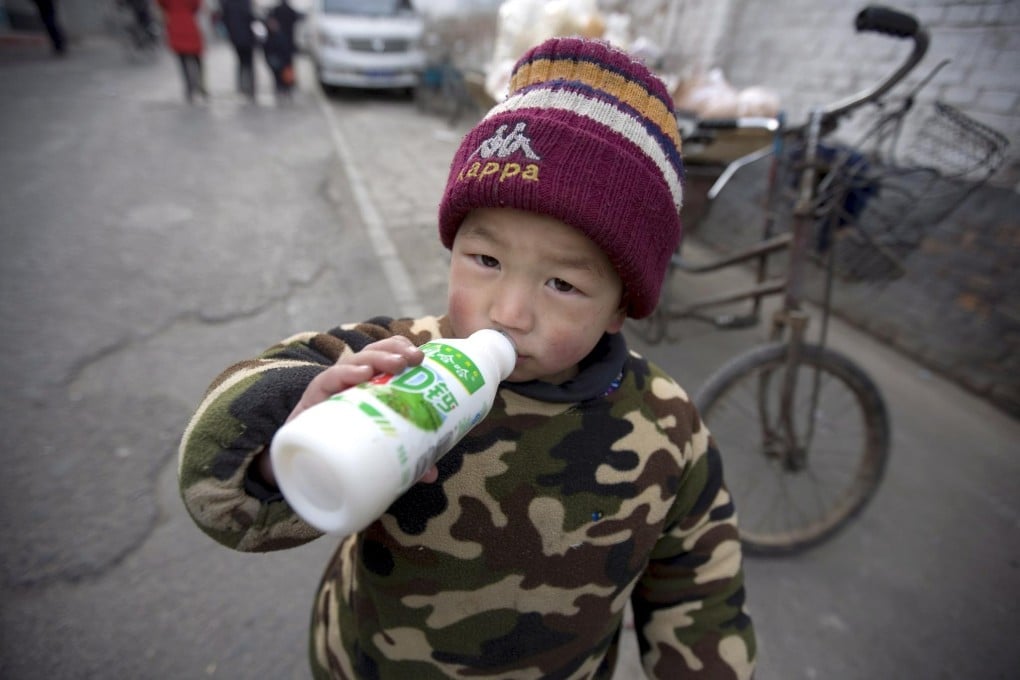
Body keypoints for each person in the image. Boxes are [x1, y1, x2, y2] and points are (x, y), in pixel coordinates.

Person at [178, 37, 756, 679]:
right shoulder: (391, 361)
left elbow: (702, 594)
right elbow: (216, 487)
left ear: (621, 307)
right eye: (486, 261)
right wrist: (292, 430)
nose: (509, 311)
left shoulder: (667, 431)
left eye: (562, 284)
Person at [156, 0, 206, 103]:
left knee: (182, 59)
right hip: (189, 22)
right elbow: (197, 5)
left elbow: (160, 4)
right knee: (197, 57)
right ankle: (201, 84)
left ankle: (189, 88)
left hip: (174, 24)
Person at [260, 0, 302, 100]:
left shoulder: (275, 11)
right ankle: (287, 86)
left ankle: (280, 87)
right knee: (287, 67)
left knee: (277, 70)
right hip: (288, 44)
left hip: (277, 45)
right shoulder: (291, 11)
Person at [218, 0, 257, 101]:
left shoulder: (227, 4)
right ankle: (250, 88)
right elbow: (251, 18)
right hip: (247, 37)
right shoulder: (245, 3)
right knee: (248, 64)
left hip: (236, 37)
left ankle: (242, 88)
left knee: (241, 63)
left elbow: (224, 19)